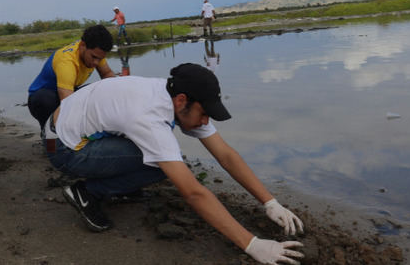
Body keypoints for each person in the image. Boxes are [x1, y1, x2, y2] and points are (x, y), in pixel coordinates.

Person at [44, 63, 305, 265]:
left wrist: (270, 202)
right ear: (181, 101)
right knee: (165, 162)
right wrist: (252, 244)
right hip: (65, 147)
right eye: (204, 114)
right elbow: (192, 192)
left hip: (78, 128)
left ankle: (109, 185)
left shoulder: (176, 96)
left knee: (166, 158)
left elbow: (225, 154)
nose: (205, 122)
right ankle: (87, 192)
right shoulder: (149, 115)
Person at [28, 25, 115, 130]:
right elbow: (68, 102)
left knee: (100, 89)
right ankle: (48, 130)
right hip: (43, 98)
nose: (96, 63)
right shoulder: (66, 62)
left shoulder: (95, 52)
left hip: (69, 91)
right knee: (46, 101)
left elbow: (107, 74)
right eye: (94, 57)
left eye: (100, 59)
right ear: (83, 45)